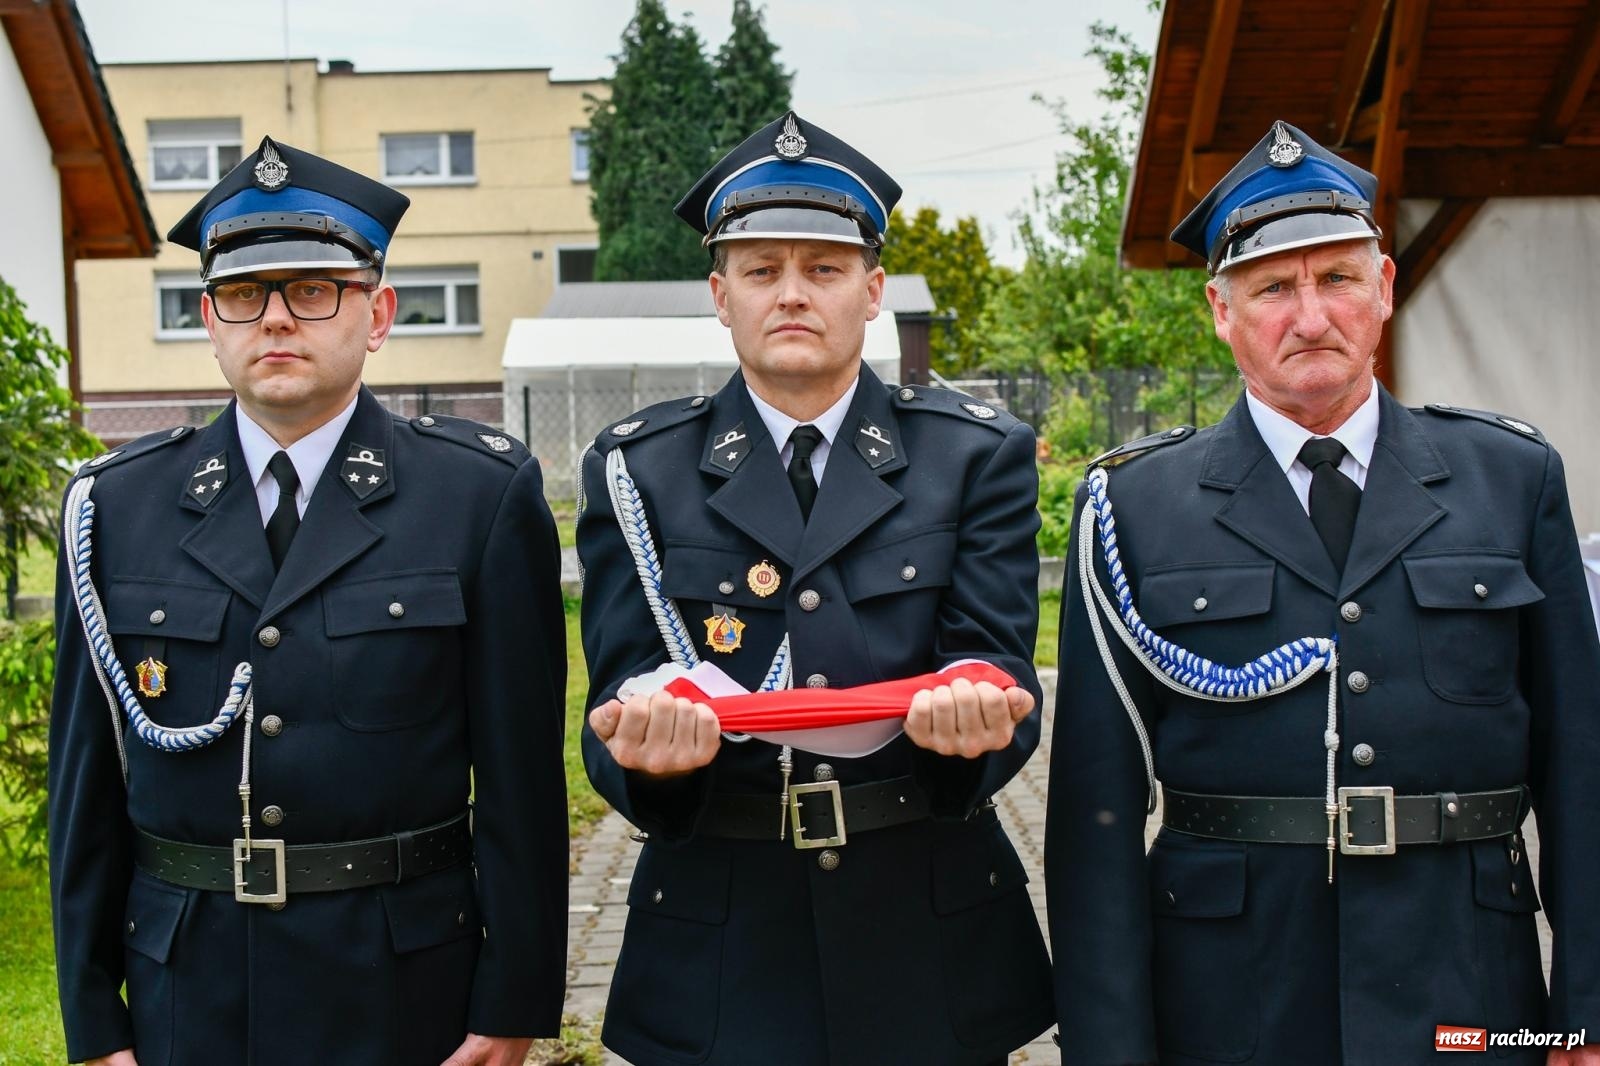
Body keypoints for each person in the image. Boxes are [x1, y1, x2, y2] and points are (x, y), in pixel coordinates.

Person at [1045, 119, 1600, 1065]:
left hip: (1468, 998)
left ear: (1382, 290)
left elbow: (1582, 770)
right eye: (1273, 288)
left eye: (1337, 278)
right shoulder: (1133, 505)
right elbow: (1093, 820)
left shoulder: (1512, 477)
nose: (1310, 316)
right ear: (1221, 311)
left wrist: (1584, 1012)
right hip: (1228, 1004)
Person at [48, 137, 568, 1066]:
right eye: (246, 295)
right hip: (186, 989)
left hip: (404, 988)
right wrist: (93, 1022)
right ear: (210, 319)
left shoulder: (476, 498)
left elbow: (523, 785)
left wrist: (513, 1001)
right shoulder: (116, 508)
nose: (277, 320)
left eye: (314, 289)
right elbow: (84, 791)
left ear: (377, 316)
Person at [576, 111, 1054, 1065]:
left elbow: (999, 665)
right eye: (761, 271)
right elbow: (618, 694)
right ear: (721, 294)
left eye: (824, 269)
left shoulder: (972, 456)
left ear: (872, 290)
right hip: (723, 939)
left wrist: (976, 725)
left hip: (921, 929)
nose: (792, 294)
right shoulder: (640, 468)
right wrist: (647, 759)